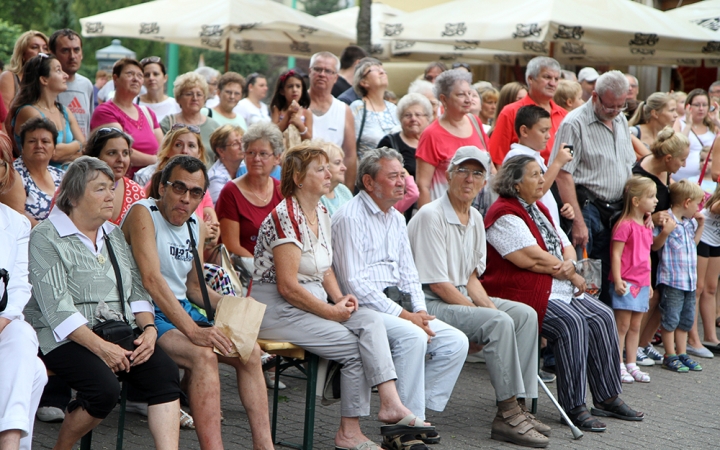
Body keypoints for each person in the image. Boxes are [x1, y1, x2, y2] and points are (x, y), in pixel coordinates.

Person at [252, 142, 433, 450]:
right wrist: (331, 311)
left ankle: (389, 402)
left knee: (371, 320)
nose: (329, 173)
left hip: (312, 302)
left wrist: (338, 300)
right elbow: (287, 287)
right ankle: (349, 433)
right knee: (356, 347)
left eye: (328, 167)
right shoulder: (288, 216)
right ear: (298, 178)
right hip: (277, 310)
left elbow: (324, 270)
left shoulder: (321, 210)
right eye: (320, 169)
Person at [25, 156, 182, 450]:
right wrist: (103, 349)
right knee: (103, 389)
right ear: (72, 195)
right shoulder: (46, 236)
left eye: (111, 187)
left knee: (165, 373)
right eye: (100, 189)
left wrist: (148, 330)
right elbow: (58, 309)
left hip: (114, 328)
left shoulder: (112, 233)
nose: (111, 195)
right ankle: (62, 447)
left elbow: (136, 289)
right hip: (61, 335)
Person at [121, 155, 274, 449]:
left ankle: (264, 446)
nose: (186, 198)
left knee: (250, 353)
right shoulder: (144, 212)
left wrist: (235, 306)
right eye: (179, 188)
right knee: (201, 355)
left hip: (183, 310)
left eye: (195, 193)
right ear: (162, 187)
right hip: (146, 312)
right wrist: (194, 331)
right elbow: (152, 281)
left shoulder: (195, 225)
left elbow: (195, 288)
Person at [483, 155, 644, 432]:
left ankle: (606, 397)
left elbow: (565, 244)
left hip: (557, 285)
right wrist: (569, 271)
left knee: (603, 315)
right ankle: (573, 406)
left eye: (541, 174)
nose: (543, 180)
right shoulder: (503, 213)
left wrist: (568, 265)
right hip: (522, 291)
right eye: (534, 175)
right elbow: (529, 259)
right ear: (516, 184)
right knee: (573, 323)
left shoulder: (539, 208)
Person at [407, 147, 550, 448]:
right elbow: (438, 285)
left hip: (456, 294)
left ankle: (520, 404)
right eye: (462, 170)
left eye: (477, 173)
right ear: (448, 174)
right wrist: (483, 317)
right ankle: (507, 414)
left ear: (485, 180)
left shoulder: (474, 216)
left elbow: (471, 277)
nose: (469, 179)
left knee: (523, 315)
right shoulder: (430, 215)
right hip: (428, 303)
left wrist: (486, 310)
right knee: (497, 321)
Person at [332, 148, 469, 446]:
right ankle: (405, 427)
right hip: (360, 310)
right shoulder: (349, 218)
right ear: (369, 182)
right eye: (393, 176)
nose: (402, 182)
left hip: (395, 307)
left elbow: (409, 273)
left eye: (403, 175)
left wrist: (421, 313)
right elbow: (354, 284)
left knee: (455, 342)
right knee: (413, 337)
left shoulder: (395, 217)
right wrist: (408, 318)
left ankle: (409, 415)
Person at [551, 70, 635, 306]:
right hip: (587, 207)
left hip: (617, 209)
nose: (616, 111)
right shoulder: (574, 123)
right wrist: (578, 221)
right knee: (587, 281)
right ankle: (585, 333)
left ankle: (605, 335)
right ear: (595, 96)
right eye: (610, 106)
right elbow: (563, 174)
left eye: (621, 105)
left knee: (611, 276)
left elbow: (628, 164)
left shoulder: (620, 118)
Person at [632, 128, 696, 363]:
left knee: (661, 296)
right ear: (668, 158)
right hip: (646, 243)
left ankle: (644, 342)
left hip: (664, 244)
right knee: (649, 296)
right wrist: (655, 216)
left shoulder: (665, 172)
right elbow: (634, 208)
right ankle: (633, 346)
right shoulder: (641, 174)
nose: (684, 163)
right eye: (682, 159)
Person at [0, 151, 47, 450]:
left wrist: (1, 322)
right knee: (36, 373)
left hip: (2, 323)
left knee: (23, 333)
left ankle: (9, 442)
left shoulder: (16, 224)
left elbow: (18, 287)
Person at [415, 69, 488, 207]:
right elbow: (422, 186)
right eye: (461, 94)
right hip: (445, 215)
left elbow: (490, 169)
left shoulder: (475, 122)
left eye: (470, 93)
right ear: (443, 99)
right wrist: (429, 222)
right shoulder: (432, 134)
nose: (468, 99)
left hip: (480, 212)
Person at [653, 180, 706, 372]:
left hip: (689, 281)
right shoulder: (665, 219)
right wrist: (665, 233)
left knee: (685, 319)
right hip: (672, 280)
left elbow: (693, 244)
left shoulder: (690, 222)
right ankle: (670, 354)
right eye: (697, 203)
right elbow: (655, 246)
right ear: (686, 202)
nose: (698, 208)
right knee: (671, 318)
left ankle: (682, 353)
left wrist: (700, 226)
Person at [609, 176, 656, 384]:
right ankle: (617, 363)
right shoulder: (624, 225)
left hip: (642, 282)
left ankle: (631, 363)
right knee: (622, 325)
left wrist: (650, 282)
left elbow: (647, 255)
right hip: (626, 281)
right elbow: (616, 254)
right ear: (636, 201)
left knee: (636, 325)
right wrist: (618, 279)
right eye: (651, 196)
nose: (656, 200)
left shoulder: (646, 225)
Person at [216, 122, 284, 261]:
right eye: (251, 153)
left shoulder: (282, 190)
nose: (256, 159)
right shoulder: (231, 192)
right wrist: (264, 269)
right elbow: (231, 246)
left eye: (263, 154)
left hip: (279, 266)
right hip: (244, 270)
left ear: (277, 158)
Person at [90, 58, 163, 179]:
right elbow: (119, 151)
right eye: (130, 74)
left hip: (150, 185)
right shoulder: (105, 112)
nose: (136, 79)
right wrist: (156, 161)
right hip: (120, 185)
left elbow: (163, 149)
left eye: (140, 75)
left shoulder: (148, 113)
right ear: (115, 78)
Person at [8, 54, 85, 169]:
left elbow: (85, 147)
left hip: (67, 180)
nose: (66, 75)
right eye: (58, 70)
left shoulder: (64, 111)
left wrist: (75, 147)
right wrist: (77, 145)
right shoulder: (29, 112)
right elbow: (53, 154)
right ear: (44, 80)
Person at [502, 105, 574, 227]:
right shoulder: (516, 156)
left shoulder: (536, 156)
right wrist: (557, 163)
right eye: (543, 131)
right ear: (524, 131)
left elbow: (546, 193)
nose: (548, 136)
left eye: (549, 130)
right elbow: (534, 192)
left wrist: (562, 206)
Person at [489, 57, 567, 165]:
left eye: (556, 79)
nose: (553, 83)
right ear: (530, 79)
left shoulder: (564, 115)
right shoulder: (511, 111)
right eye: (547, 77)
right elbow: (497, 159)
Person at [308, 52, 357, 189]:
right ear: (310, 72)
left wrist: (347, 192)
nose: (322, 74)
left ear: (336, 77)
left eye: (328, 71)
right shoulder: (296, 105)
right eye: (318, 69)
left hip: (332, 187)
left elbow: (350, 155)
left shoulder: (344, 110)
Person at [84, 127, 145, 225]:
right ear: (95, 156)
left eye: (125, 153)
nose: (121, 159)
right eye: (112, 153)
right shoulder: (78, 187)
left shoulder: (136, 191)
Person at [13, 118, 64, 225]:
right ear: (22, 147)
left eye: (45, 141)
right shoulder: (13, 175)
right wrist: (51, 237)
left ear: (54, 149)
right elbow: (17, 215)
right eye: (32, 141)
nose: (39, 146)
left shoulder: (61, 175)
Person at [159, 72, 220, 162]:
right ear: (178, 98)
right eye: (189, 94)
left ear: (204, 98)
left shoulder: (214, 126)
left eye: (199, 94)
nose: (195, 98)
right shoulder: (168, 123)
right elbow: (160, 155)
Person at [350, 58, 399, 161]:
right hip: (369, 171)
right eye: (375, 70)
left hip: (395, 171)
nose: (382, 72)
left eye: (383, 69)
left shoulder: (394, 109)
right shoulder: (357, 108)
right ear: (363, 82)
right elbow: (349, 147)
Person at [49, 29, 94, 139]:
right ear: (53, 54)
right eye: (65, 51)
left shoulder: (86, 84)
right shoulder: (46, 84)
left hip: (82, 152)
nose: (72, 56)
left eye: (77, 50)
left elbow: (90, 124)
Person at [377, 93, 433, 177]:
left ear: (428, 118)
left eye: (418, 114)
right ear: (400, 119)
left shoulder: (434, 141)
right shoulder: (389, 143)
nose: (413, 119)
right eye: (407, 115)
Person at [673, 88, 719, 181]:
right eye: (697, 105)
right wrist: (688, 125)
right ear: (688, 106)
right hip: (681, 179)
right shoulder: (679, 122)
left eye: (705, 105)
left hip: (707, 180)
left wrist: (717, 121)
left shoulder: (713, 125)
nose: (701, 108)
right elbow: (677, 146)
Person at [0, 30, 48, 112]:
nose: (41, 52)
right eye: (35, 47)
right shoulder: (9, 77)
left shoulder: (48, 80)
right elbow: (5, 117)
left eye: (45, 48)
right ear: (22, 53)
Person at [270, 69, 313, 146]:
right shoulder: (277, 109)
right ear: (282, 91)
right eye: (290, 86)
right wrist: (288, 114)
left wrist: (300, 124)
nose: (294, 90)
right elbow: (274, 133)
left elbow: (309, 138)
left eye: (298, 86)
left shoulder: (307, 112)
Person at [207, 124, 244, 204]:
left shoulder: (245, 166)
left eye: (242, 141)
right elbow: (221, 210)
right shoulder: (215, 178)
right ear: (221, 151)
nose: (241, 146)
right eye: (235, 144)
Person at [137, 56, 180, 123]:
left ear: (165, 78)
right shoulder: (134, 103)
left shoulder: (176, 105)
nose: (151, 78)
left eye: (156, 74)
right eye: (147, 75)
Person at [318, 140, 352, 216]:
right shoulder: (316, 195)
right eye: (337, 163)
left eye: (342, 162)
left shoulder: (344, 190)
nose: (344, 168)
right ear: (323, 167)